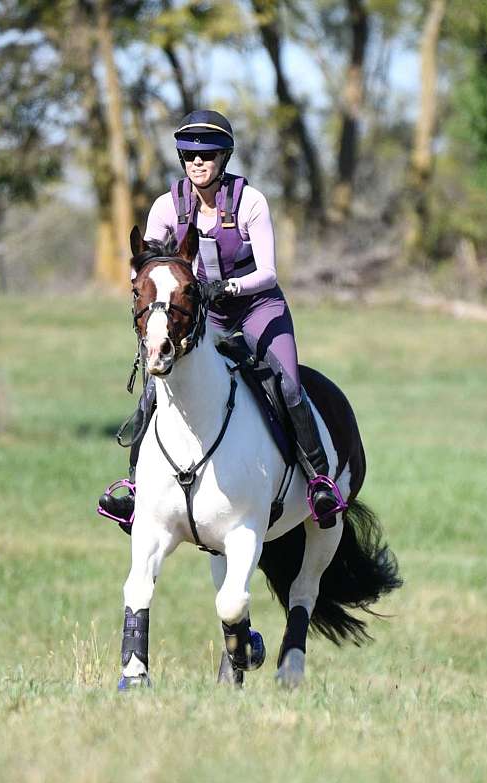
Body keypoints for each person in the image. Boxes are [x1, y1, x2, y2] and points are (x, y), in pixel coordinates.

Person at [99, 109, 340, 530]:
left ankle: (319, 482)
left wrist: (227, 288)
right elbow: (146, 265)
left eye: (207, 155)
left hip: (258, 308)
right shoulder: (165, 207)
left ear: (223, 158)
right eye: (190, 156)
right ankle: (135, 487)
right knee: (156, 388)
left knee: (285, 383)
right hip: (201, 315)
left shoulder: (250, 202)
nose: (198, 163)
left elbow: (268, 272)